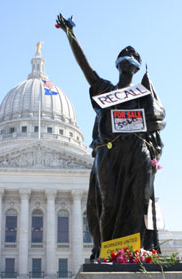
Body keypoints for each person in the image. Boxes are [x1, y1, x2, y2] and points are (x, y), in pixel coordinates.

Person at [56, 14, 166, 258]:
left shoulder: (143, 92)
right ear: (118, 65)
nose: (128, 64)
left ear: (136, 68)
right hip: (110, 150)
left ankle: (137, 251)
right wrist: (71, 35)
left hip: (137, 150)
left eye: (133, 61)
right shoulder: (105, 89)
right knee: (109, 203)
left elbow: (158, 117)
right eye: (125, 60)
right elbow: (85, 67)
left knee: (139, 201)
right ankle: (107, 252)